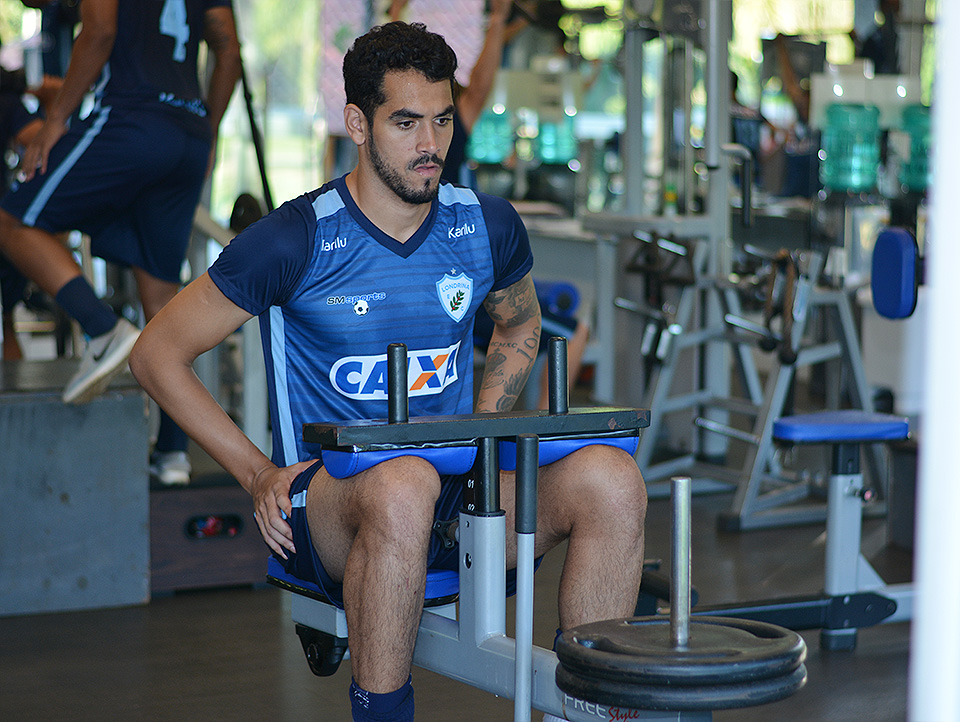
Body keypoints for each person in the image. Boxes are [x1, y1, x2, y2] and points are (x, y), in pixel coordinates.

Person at [129, 21, 646, 722]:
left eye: (441, 120)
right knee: (405, 480)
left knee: (613, 481)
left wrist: (487, 423)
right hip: (332, 507)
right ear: (357, 124)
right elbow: (156, 354)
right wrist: (256, 474)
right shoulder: (296, 239)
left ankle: (593, 709)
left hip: (461, 495)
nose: (430, 145)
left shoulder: (487, 226)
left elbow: (519, 322)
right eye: (405, 123)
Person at [0, 0, 241, 484]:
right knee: (161, 300)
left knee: (12, 221)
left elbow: (100, 30)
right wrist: (207, 130)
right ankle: (172, 453)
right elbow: (228, 45)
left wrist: (57, 119)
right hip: (188, 132)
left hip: (132, 115)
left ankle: (102, 328)